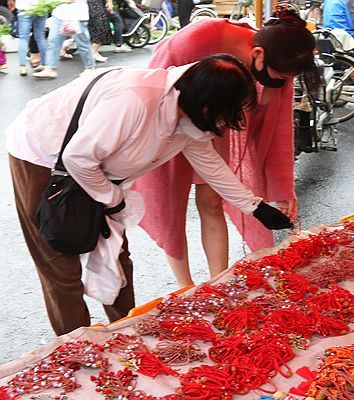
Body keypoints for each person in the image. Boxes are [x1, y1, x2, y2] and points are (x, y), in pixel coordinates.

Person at [6, 54, 292, 336]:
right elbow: (78, 158)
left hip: (98, 170)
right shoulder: (135, 100)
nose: (225, 121)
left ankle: (125, 331)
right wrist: (111, 198)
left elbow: (212, 166)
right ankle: (76, 345)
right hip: (45, 157)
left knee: (117, 257)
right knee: (62, 263)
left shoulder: (188, 113)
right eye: (225, 111)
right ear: (207, 103)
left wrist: (255, 208)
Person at [132, 9, 318, 287]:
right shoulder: (197, 39)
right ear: (258, 54)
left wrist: (281, 190)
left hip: (214, 127)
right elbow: (157, 89)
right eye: (279, 76)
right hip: (167, 122)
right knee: (170, 205)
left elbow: (277, 129)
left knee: (212, 201)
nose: (281, 83)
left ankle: (218, 282)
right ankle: (185, 287)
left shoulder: (281, 58)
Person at [34, 0, 96, 79]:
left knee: (82, 42)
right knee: (53, 41)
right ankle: (50, 68)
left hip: (77, 15)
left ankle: (90, 67)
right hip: (59, 14)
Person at [16, 0, 47, 76]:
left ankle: (23, 67)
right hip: (41, 7)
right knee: (41, 37)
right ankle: (45, 64)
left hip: (24, 8)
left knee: (23, 38)